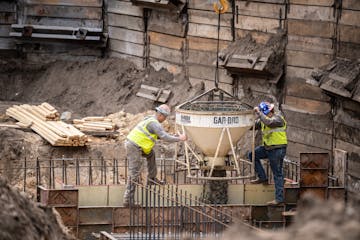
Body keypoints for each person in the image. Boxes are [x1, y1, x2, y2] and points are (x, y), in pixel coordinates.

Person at [123, 104, 187, 207]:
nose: (165, 119)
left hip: (139, 146)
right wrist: (180, 139)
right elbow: (164, 136)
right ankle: (128, 200)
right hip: (134, 146)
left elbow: (159, 136)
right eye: (165, 117)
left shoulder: (150, 119)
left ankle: (152, 179)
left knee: (151, 155)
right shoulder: (154, 123)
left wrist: (174, 136)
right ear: (161, 115)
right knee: (134, 173)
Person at [248, 101, 287, 205]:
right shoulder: (263, 119)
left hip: (277, 149)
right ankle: (262, 177)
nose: (269, 113)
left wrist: (259, 113)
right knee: (252, 155)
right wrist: (248, 118)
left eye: (269, 112)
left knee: (277, 173)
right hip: (268, 148)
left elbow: (269, 122)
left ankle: (279, 199)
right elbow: (251, 126)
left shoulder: (278, 118)